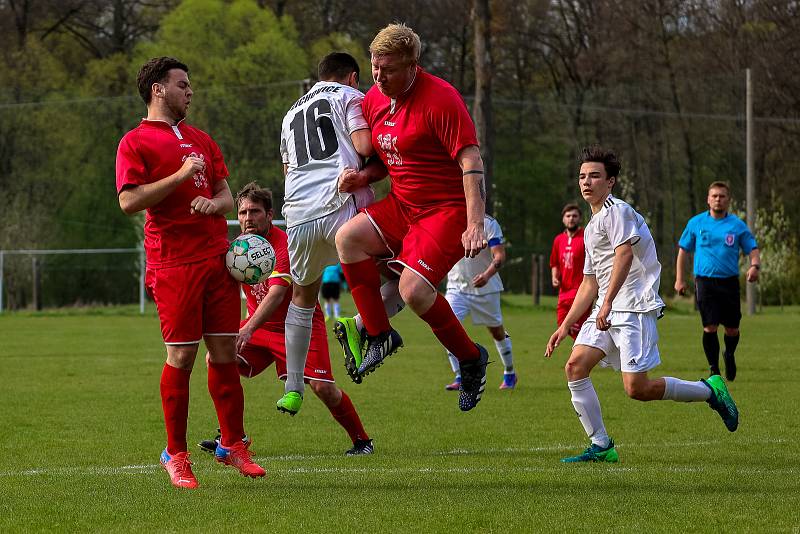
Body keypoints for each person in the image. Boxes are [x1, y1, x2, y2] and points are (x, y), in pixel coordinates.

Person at [115, 57, 265, 488]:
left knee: (224, 354)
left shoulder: (201, 138)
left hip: (217, 260)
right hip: (174, 264)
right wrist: (181, 176)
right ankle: (175, 454)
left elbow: (224, 194)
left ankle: (233, 445)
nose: (190, 90)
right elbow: (129, 201)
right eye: (182, 84)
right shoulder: (135, 142)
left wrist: (213, 205)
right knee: (182, 356)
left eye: (190, 84)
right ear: (158, 89)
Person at [545, 145, 739, 463]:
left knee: (637, 389)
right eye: (582, 176)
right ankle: (602, 445)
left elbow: (624, 255)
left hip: (633, 307)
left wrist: (606, 303)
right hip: (606, 310)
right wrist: (565, 325)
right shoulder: (591, 227)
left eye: (595, 175)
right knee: (575, 367)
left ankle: (710, 390)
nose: (586, 182)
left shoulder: (617, 211)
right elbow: (589, 282)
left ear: (611, 182)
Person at [334, 23, 490, 412]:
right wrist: (362, 176)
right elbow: (382, 161)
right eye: (375, 68)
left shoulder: (440, 99)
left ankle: (471, 359)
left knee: (414, 291)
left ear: (413, 65)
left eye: (388, 69)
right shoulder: (374, 99)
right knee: (347, 239)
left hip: (446, 211)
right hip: (402, 206)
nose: (379, 77)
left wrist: (475, 222)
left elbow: (471, 160)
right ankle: (380, 333)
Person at [198, 183, 374, 456]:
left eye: (255, 211)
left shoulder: (286, 244)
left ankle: (362, 440)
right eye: (242, 212)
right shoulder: (238, 248)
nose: (247, 218)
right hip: (259, 326)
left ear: (270, 215)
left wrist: (246, 330)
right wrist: (238, 325)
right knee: (217, 360)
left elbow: (277, 294)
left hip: (299, 325)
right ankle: (233, 436)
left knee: (322, 387)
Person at [276, 52, 376, 417]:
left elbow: (289, 170)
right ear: (351, 77)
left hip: (298, 215)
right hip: (339, 204)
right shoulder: (349, 97)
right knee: (405, 271)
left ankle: (293, 387)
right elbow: (365, 147)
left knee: (302, 298)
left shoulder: (289, 115)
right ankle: (361, 327)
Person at [675, 181, 760, 381]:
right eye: (714, 196)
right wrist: (679, 279)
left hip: (729, 282)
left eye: (722, 196)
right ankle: (714, 368)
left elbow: (752, 249)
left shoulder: (737, 225)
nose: (718, 199)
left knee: (732, 329)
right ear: (708, 199)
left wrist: (754, 266)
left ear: (728, 200)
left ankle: (729, 354)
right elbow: (683, 251)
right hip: (704, 282)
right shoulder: (696, 223)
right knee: (710, 327)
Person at [443, 215, 516, 391]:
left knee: (497, 332)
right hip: (456, 288)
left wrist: (486, 275)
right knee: (445, 328)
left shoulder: (489, 224)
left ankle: (510, 373)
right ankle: (460, 375)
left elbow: (499, 255)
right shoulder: (448, 218)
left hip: (486, 289)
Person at [550, 203, 590, 339]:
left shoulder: (586, 236)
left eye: (574, 216)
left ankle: (584, 357)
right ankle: (587, 355)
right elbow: (554, 263)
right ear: (563, 219)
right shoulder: (558, 240)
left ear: (579, 219)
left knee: (579, 331)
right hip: (564, 293)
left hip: (581, 293)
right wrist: (554, 277)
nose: (571, 219)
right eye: (568, 216)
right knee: (562, 325)